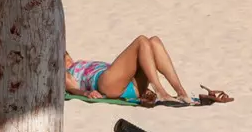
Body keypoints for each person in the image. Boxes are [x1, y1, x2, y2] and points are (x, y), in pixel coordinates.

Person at [64, 36, 229, 105]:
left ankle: (181, 91)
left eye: (67, 55)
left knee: (154, 41)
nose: (67, 58)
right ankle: (161, 91)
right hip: (105, 85)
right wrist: (86, 94)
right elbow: (70, 88)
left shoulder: (81, 62)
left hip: (132, 87)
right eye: (64, 57)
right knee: (142, 41)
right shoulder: (64, 71)